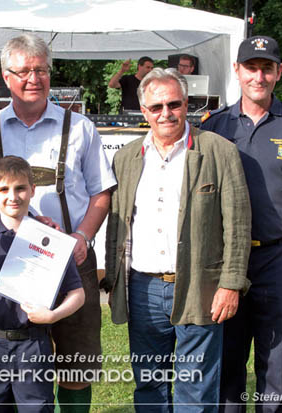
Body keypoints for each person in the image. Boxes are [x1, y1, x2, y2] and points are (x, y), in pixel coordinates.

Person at [0, 34, 116, 412]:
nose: (33, 78)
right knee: (9, 353)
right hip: (5, 261)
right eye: (23, 71)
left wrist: (83, 236)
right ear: (6, 77)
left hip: (71, 258)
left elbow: (102, 193)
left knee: (75, 361)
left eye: (41, 70)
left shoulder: (81, 127)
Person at [200, 35, 282, 412]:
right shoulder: (214, 126)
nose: (258, 76)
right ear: (237, 71)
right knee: (227, 361)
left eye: (266, 68)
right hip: (226, 261)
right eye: (251, 68)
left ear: (278, 73)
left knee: (277, 363)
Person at [105, 68, 251, 411]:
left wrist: (230, 283)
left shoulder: (218, 151)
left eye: (173, 104)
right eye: (156, 107)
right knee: (148, 386)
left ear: (187, 104)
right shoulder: (126, 158)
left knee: (197, 389)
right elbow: (117, 225)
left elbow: (239, 224)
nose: (165, 113)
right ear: (143, 112)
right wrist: (113, 279)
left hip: (199, 286)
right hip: (142, 289)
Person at [0, 155, 85, 412]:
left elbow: (77, 293)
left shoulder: (51, 239)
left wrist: (53, 315)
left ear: (32, 190)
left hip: (33, 343)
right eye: (3, 189)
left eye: (20, 188)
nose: (12, 196)